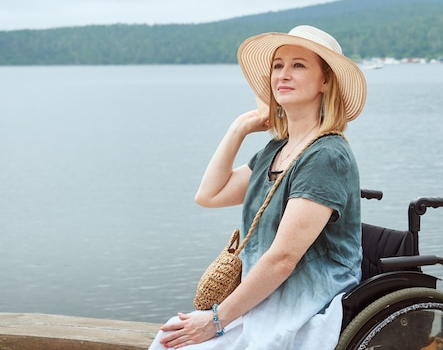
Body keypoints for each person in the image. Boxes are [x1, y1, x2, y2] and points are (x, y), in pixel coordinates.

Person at [149, 25, 367, 350]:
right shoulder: (275, 150)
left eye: (299, 65)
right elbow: (209, 195)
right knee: (170, 339)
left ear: (325, 81)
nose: (283, 74)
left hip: (306, 301)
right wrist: (239, 129)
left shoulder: (326, 156)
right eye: (278, 65)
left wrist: (215, 320)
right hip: (264, 296)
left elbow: (283, 258)